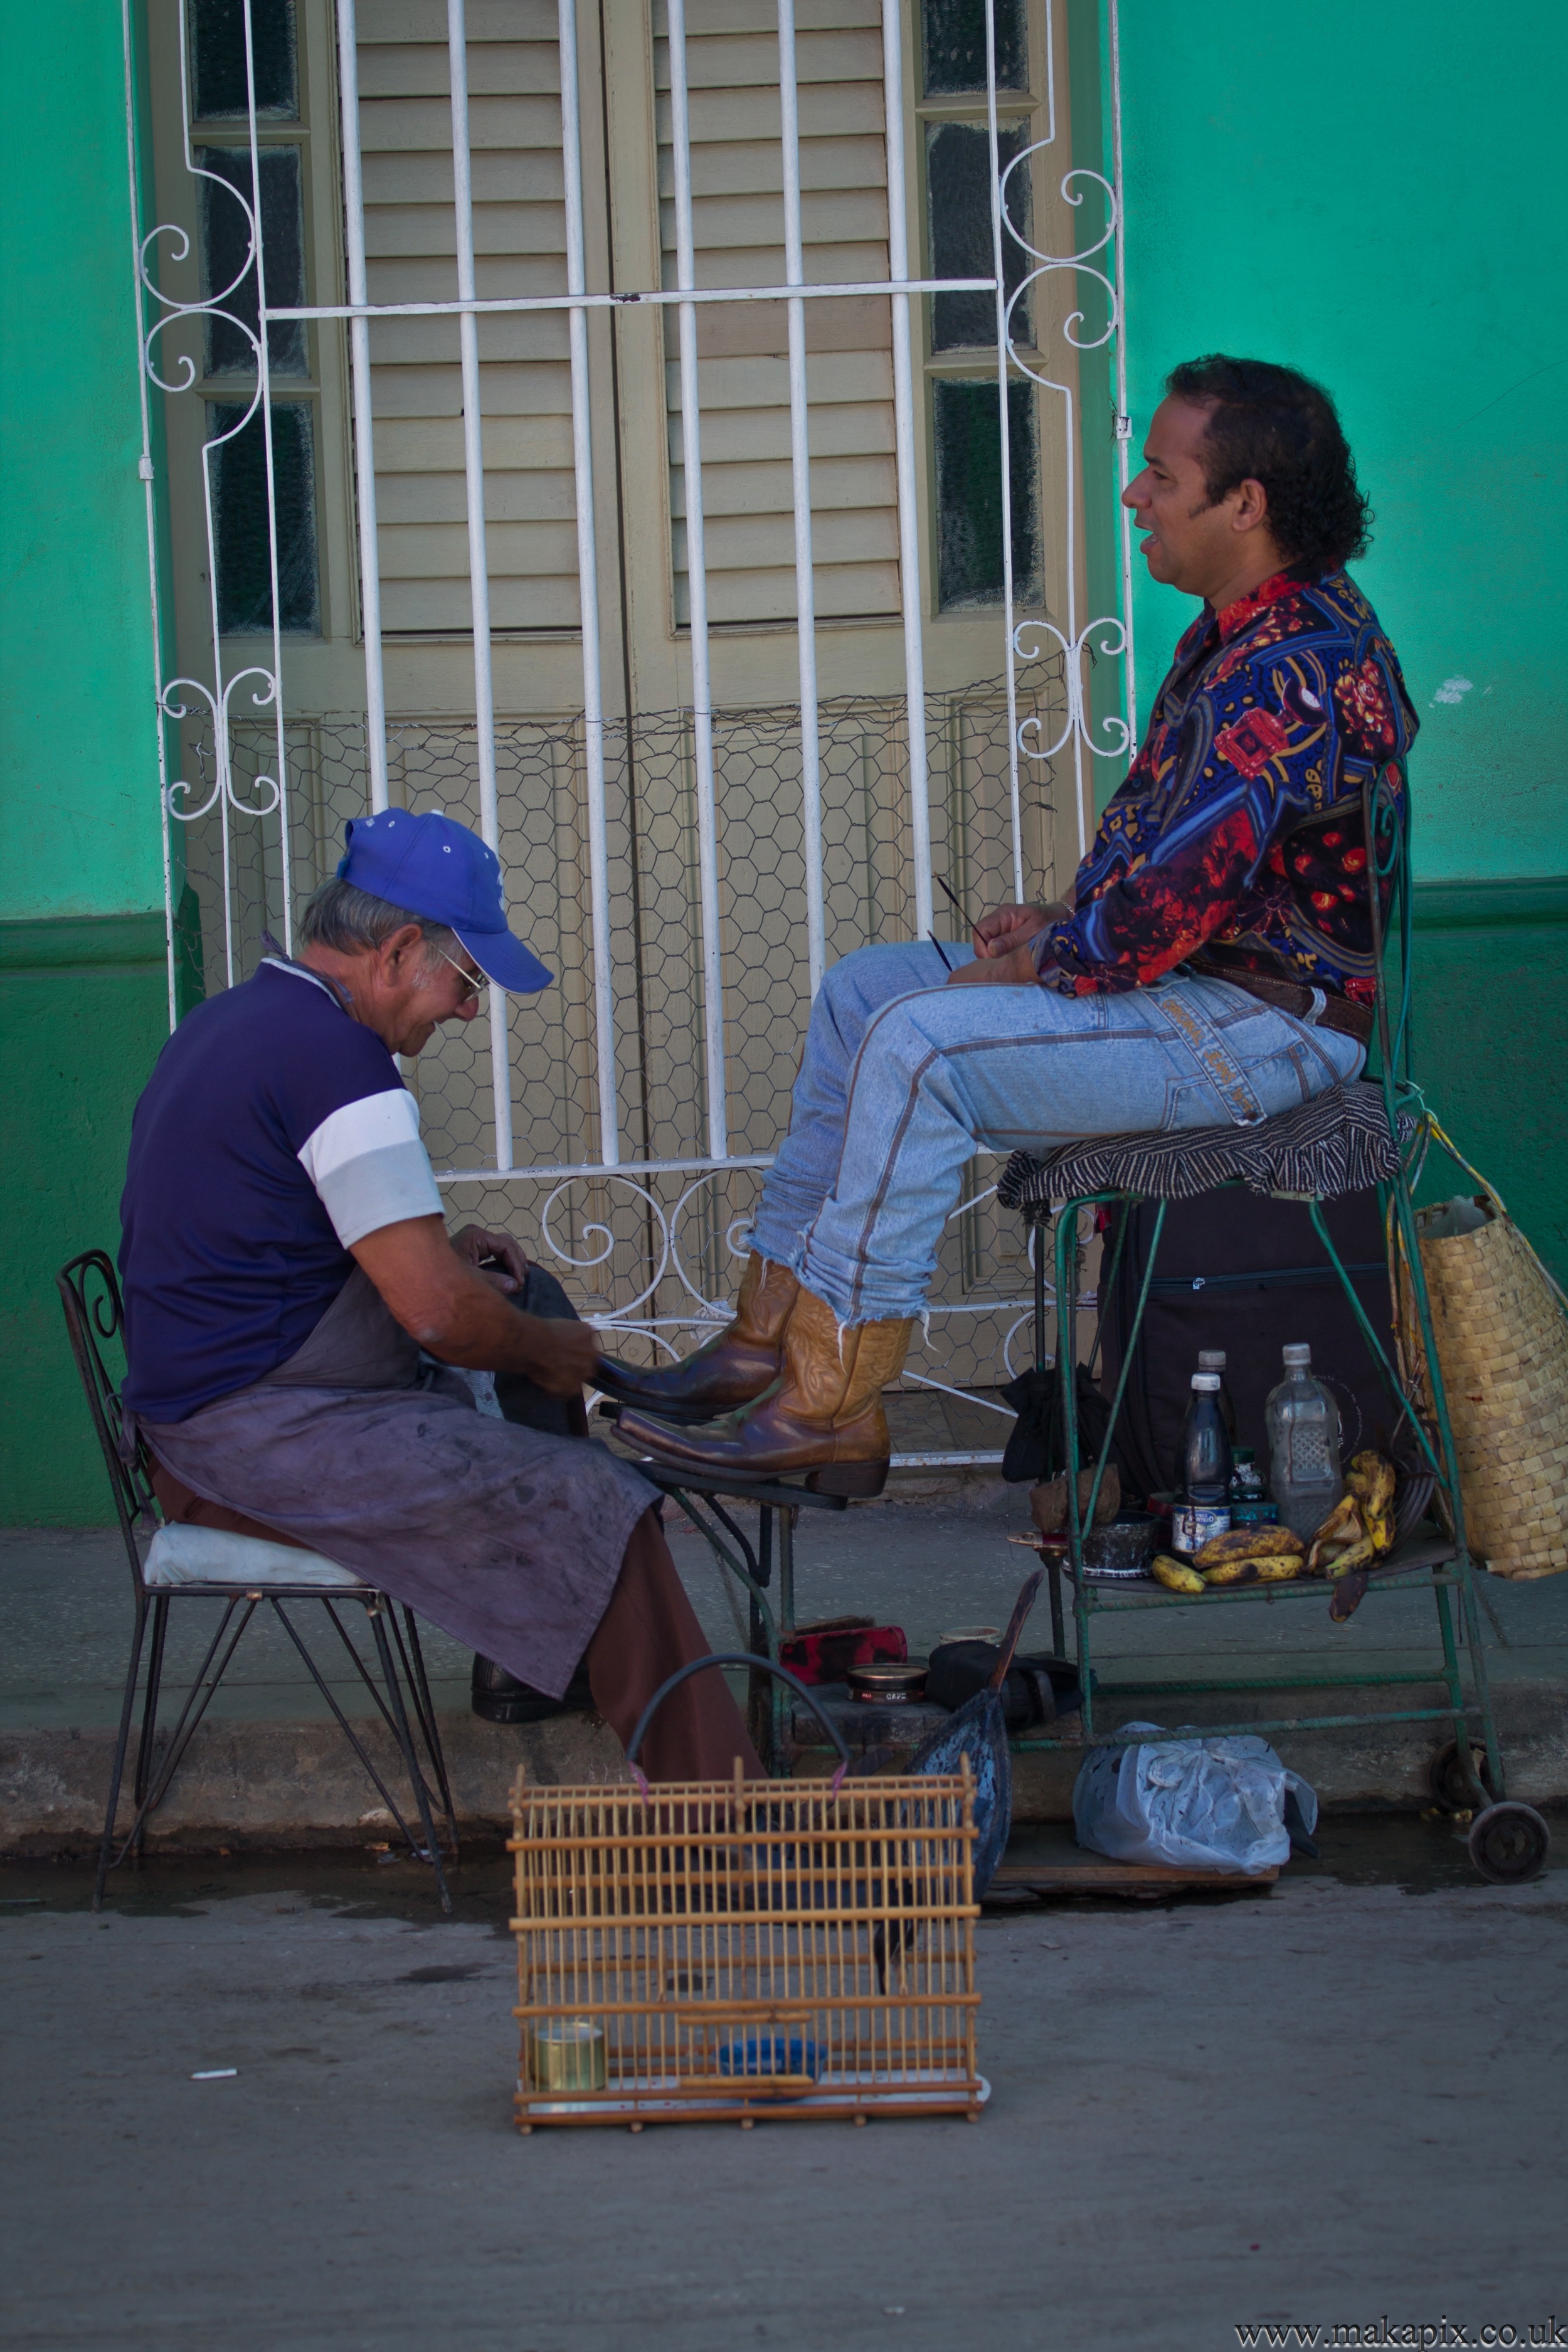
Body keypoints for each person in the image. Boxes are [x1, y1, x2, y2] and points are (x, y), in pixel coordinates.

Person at [600, 354, 1416, 1491]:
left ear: (1247, 503)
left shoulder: (1293, 669)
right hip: (1199, 990)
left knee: (921, 1042)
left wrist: (1047, 956)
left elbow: (1167, 909)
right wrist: (1062, 919)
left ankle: (830, 1400)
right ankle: (762, 1340)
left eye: (1160, 475)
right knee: (862, 996)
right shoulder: (1244, 635)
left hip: (1265, 1029)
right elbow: (1171, 858)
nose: (1134, 494)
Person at [119, 808, 761, 1782]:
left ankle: (534, 1662)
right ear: (400, 950)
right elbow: (439, 1319)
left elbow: (284, 1241)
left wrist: (457, 1261)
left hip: (223, 1407)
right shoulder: (338, 1060)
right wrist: (555, 1354)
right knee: (599, 1498)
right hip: (241, 1444)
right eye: (464, 982)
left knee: (518, 1286)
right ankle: (730, 1807)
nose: (466, 1011)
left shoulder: (239, 1019)